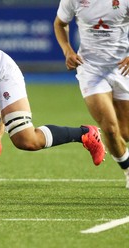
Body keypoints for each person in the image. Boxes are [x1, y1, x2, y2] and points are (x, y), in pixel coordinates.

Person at [54, 0, 129, 188]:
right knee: (110, 129)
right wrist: (67, 51)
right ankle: (128, 170)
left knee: (126, 132)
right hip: (91, 70)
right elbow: (60, 23)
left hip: (122, 68)